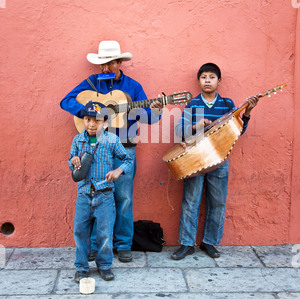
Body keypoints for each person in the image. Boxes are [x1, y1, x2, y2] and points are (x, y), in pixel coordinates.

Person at [61, 40, 163, 263]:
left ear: (119, 63)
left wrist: (156, 112)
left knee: (123, 198)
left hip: (124, 148)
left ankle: (123, 244)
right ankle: (96, 246)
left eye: (110, 64)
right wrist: (88, 112)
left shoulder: (133, 87)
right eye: (102, 64)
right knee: (96, 197)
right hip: (96, 149)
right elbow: (65, 101)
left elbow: (147, 117)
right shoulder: (91, 83)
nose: (105, 69)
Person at [171, 62, 259, 260]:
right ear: (199, 81)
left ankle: (209, 242)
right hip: (194, 160)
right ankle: (187, 244)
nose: (207, 81)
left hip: (220, 160)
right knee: (190, 201)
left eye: (212, 77)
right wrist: (196, 125)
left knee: (217, 202)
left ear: (219, 80)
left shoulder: (227, 105)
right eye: (204, 77)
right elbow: (179, 132)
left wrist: (247, 113)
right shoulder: (193, 104)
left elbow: (238, 131)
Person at [69, 101, 133, 282]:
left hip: (104, 195)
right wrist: (73, 161)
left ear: (104, 123)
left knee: (104, 232)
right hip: (83, 194)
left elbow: (127, 160)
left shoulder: (111, 140)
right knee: (81, 232)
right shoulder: (77, 140)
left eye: (96, 121)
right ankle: (81, 268)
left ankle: (104, 266)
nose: (91, 124)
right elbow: (70, 161)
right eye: (87, 119)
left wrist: (118, 170)